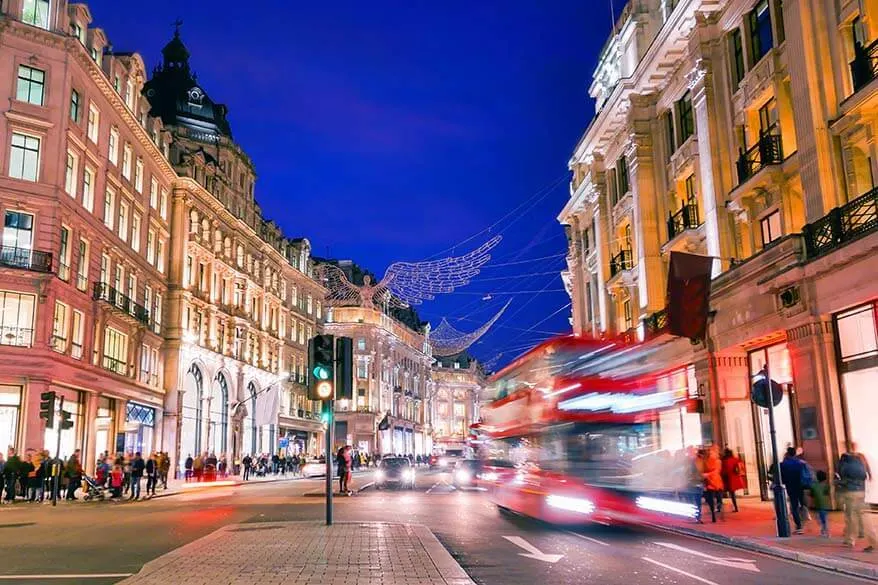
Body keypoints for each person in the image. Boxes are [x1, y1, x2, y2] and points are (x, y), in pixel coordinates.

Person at [838, 447, 877, 551]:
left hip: (850, 493)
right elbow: (866, 475)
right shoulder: (861, 459)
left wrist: (838, 483)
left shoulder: (845, 463)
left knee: (851, 516)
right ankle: (873, 541)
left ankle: (850, 540)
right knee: (863, 516)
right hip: (861, 492)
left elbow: (842, 478)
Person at [779, 447, 807, 534]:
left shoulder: (784, 464)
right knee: (802, 503)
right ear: (795, 453)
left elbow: (782, 478)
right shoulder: (801, 463)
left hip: (790, 486)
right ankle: (804, 518)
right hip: (801, 486)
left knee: (794, 506)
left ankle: (799, 526)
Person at [702, 446, 724, 523]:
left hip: (715, 481)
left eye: (712, 451)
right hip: (711, 481)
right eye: (710, 452)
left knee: (717, 499)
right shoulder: (707, 460)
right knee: (712, 499)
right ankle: (714, 515)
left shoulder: (717, 461)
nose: (711, 453)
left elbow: (716, 471)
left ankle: (717, 512)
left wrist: (707, 474)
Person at [720, 448, 745, 513]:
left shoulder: (724, 461)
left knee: (720, 493)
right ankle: (735, 507)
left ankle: (719, 507)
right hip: (734, 478)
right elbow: (741, 466)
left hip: (727, 479)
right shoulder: (735, 459)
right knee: (732, 494)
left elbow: (723, 471)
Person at [811, 470, 830, 538]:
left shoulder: (814, 486)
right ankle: (824, 531)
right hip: (825, 505)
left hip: (818, 505)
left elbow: (812, 495)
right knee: (824, 518)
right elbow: (827, 493)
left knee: (821, 519)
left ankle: (825, 532)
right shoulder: (825, 485)